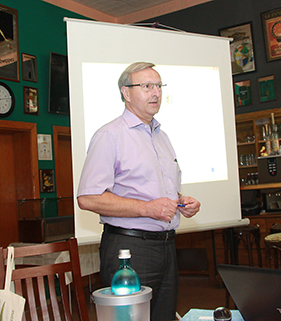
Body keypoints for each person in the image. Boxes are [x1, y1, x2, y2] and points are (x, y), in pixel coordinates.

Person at [77, 62, 201, 321]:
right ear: (126, 92)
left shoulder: (161, 136)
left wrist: (180, 202)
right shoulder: (110, 135)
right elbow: (88, 198)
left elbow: (151, 189)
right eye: (146, 86)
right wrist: (147, 208)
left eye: (158, 86)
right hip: (129, 249)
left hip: (166, 247)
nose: (155, 93)